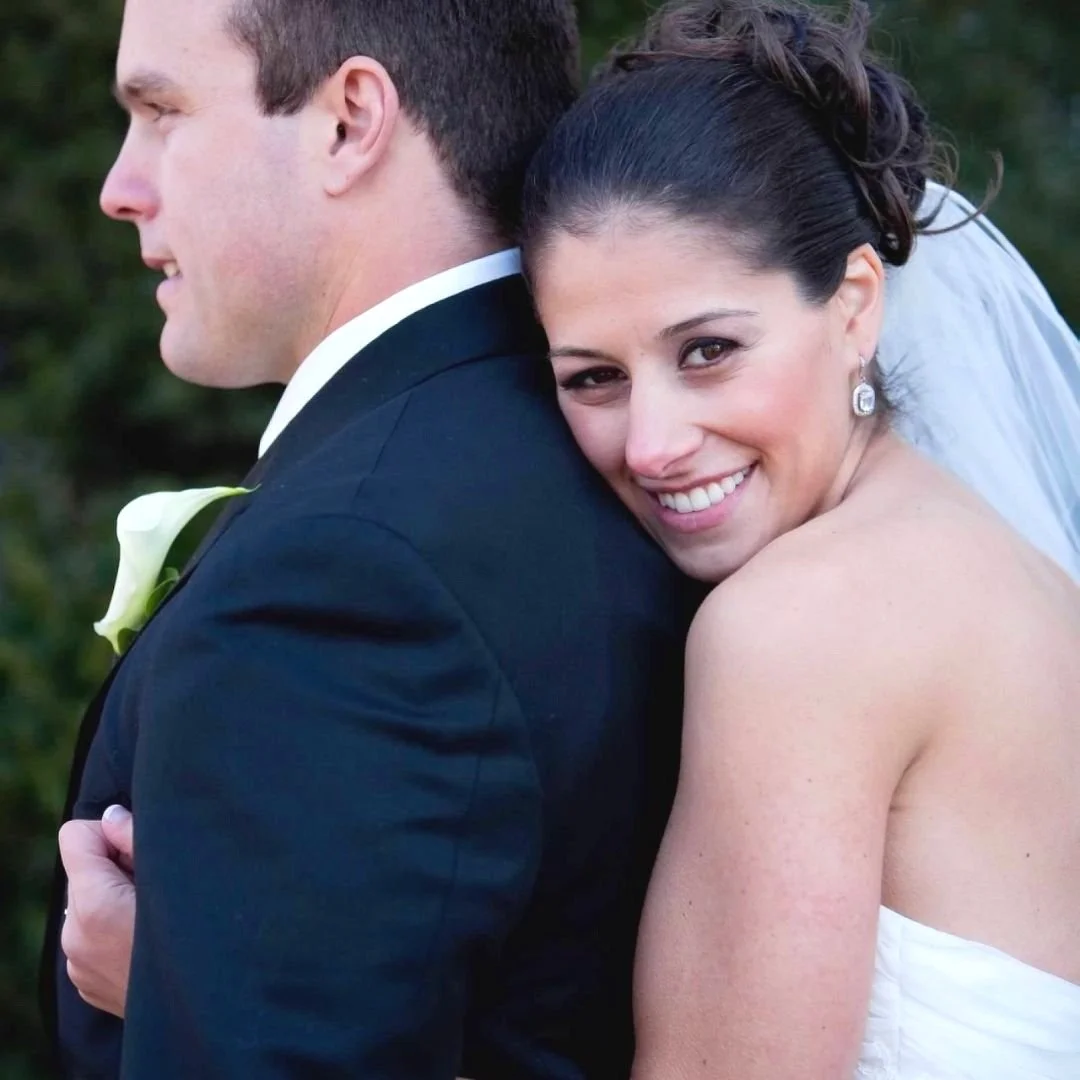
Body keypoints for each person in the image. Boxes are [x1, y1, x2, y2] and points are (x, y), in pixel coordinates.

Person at [40, 0, 697, 1076]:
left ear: (350, 120)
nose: (120, 187)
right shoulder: (594, 452)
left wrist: (182, 990)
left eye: (161, 110)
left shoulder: (347, 571)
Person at [520, 0, 1080, 1076]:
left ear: (856, 304)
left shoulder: (803, 627)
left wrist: (255, 1003)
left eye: (709, 351)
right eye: (592, 378)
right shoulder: (1003, 567)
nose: (651, 443)